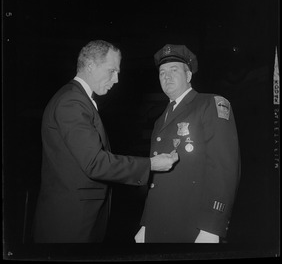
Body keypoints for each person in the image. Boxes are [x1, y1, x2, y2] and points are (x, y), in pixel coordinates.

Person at [32, 40, 178, 243]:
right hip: (70, 223)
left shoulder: (75, 99)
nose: (116, 79)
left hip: (74, 216)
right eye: (112, 71)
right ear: (90, 66)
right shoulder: (72, 102)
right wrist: (151, 164)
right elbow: (95, 163)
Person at [135, 44, 241, 243]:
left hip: (194, 225)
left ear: (189, 75)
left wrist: (212, 227)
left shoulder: (211, 104)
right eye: (162, 72)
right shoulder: (161, 120)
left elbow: (224, 168)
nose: (167, 77)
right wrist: (146, 223)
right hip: (159, 223)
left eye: (174, 70)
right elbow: (156, 181)